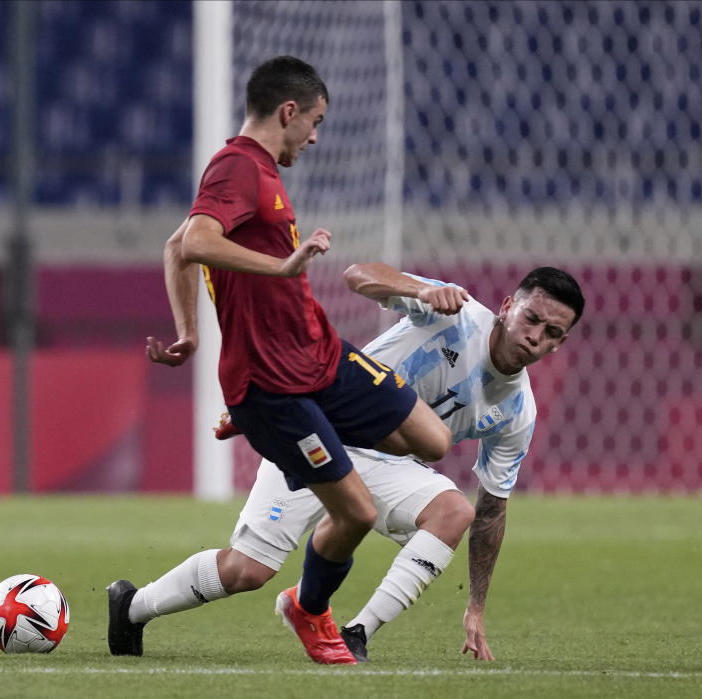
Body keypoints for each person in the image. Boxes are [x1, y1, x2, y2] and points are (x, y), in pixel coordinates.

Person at [108, 56, 454, 665]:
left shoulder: (262, 172)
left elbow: (176, 245)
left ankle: (271, 432)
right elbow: (192, 242)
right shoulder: (237, 164)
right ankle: (310, 608)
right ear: (288, 112)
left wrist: (188, 330)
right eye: (314, 121)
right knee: (356, 514)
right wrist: (285, 266)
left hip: (318, 356)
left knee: (430, 438)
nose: (316, 136)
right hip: (273, 384)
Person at [111, 262, 585, 663]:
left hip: (386, 462)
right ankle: (132, 606)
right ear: (508, 307)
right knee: (247, 571)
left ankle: (355, 633)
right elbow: (358, 275)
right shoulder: (454, 313)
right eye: (532, 318)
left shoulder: (519, 413)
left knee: (454, 510)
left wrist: (476, 606)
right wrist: (418, 288)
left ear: (559, 345)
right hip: (316, 427)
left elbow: (492, 510)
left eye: (551, 333)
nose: (535, 336)